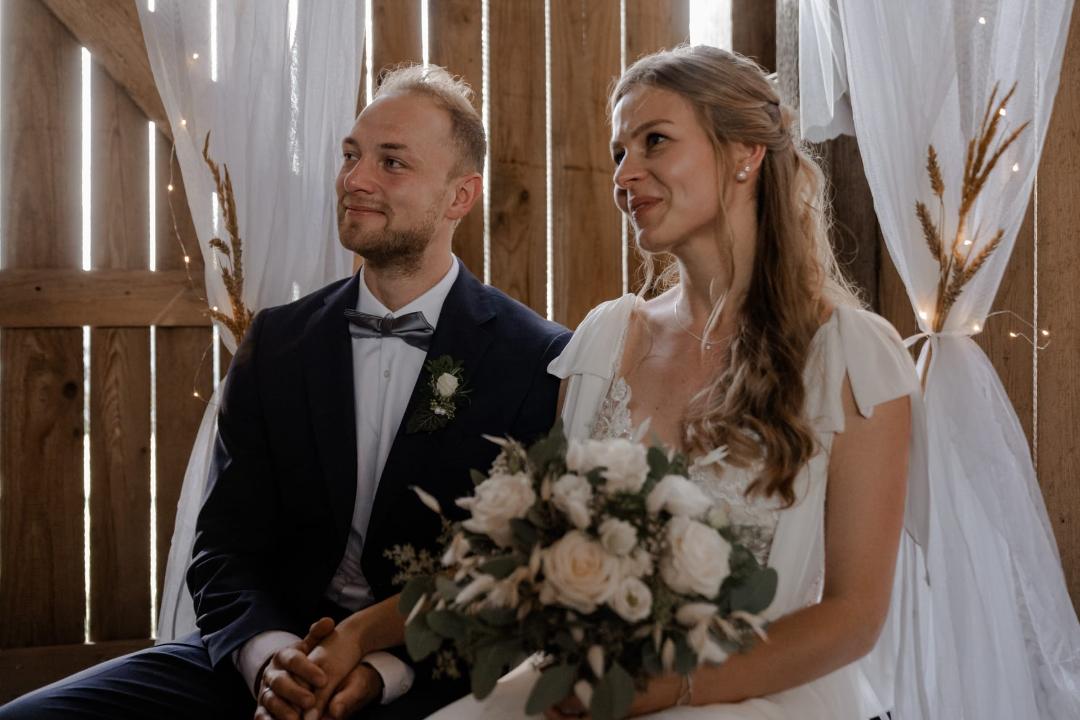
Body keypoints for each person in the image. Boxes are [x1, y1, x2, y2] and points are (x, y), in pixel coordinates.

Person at [0, 64, 570, 720]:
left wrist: (380, 672)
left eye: (391, 163)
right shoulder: (277, 341)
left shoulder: (535, 359)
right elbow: (223, 549)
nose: (354, 180)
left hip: (426, 678)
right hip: (259, 658)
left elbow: (516, 578)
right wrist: (270, 659)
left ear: (459, 197)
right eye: (351, 155)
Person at [427, 45, 927, 720]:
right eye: (618, 153)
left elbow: (853, 617)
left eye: (654, 141)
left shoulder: (852, 356)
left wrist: (668, 692)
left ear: (745, 153)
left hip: (753, 696)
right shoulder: (607, 338)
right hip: (585, 684)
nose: (624, 175)